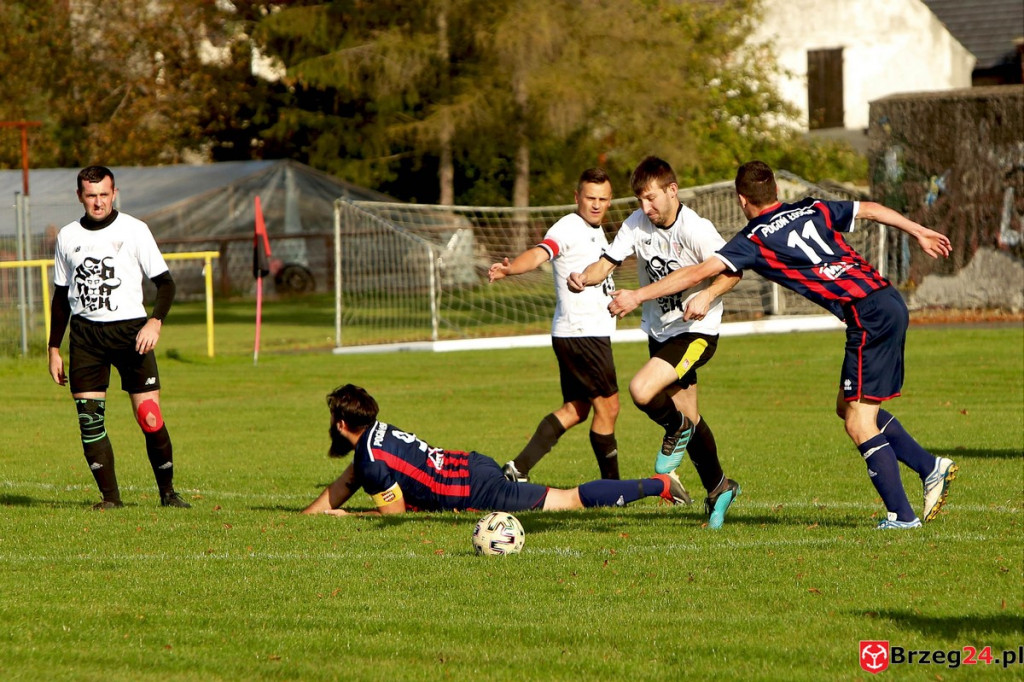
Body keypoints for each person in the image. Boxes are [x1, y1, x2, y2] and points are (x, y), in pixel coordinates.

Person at [605, 160, 958, 529]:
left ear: (743, 200)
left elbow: (696, 272)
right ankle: (930, 466)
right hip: (886, 299)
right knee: (847, 407)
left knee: (859, 422)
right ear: (776, 191)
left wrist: (637, 296)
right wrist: (919, 231)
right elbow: (869, 209)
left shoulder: (753, 238)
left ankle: (901, 517)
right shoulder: (811, 206)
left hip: (866, 316)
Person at [567, 156, 742, 529]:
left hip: (696, 332)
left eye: (651, 199)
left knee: (642, 390)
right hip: (660, 332)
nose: (646, 208)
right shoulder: (637, 223)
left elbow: (733, 271)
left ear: (672, 191)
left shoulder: (696, 229)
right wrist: (584, 277)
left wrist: (707, 296)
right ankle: (719, 488)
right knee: (691, 420)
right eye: (640, 201)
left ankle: (674, 429)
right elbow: (607, 262)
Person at [301, 384, 691, 515]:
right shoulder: (377, 437)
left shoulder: (369, 460)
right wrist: (313, 514)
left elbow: (394, 515)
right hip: (472, 465)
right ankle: (658, 485)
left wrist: (348, 516)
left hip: (476, 491)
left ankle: (659, 485)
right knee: (562, 499)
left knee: (568, 501)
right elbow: (347, 480)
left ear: (340, 424)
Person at [47, 165, 189, 509]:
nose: (98, 202)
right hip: (86, 336)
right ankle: (111, 499)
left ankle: (168, 494)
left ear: (115, 193)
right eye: (91, 195)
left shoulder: (135, 230)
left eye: (104, 195)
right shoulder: (67, 236)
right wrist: (53, 347)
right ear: (80, 196)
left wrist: (155, 322)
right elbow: (60, 297)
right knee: (90, 419)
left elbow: (165, 284)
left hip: (131, 333)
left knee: (149, 417)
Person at [487, 167, 621, 483]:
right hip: (581, 335)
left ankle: (517, 470)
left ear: (610, 200)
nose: (596, 204)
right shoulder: (569, 226)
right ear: (577, 197)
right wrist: (511, 270)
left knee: (576, 408)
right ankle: (613, 490)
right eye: (590, 198)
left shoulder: (596, 229)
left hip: (580, 333)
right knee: (609, 409)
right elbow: (541, 252)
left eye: (603, 199)